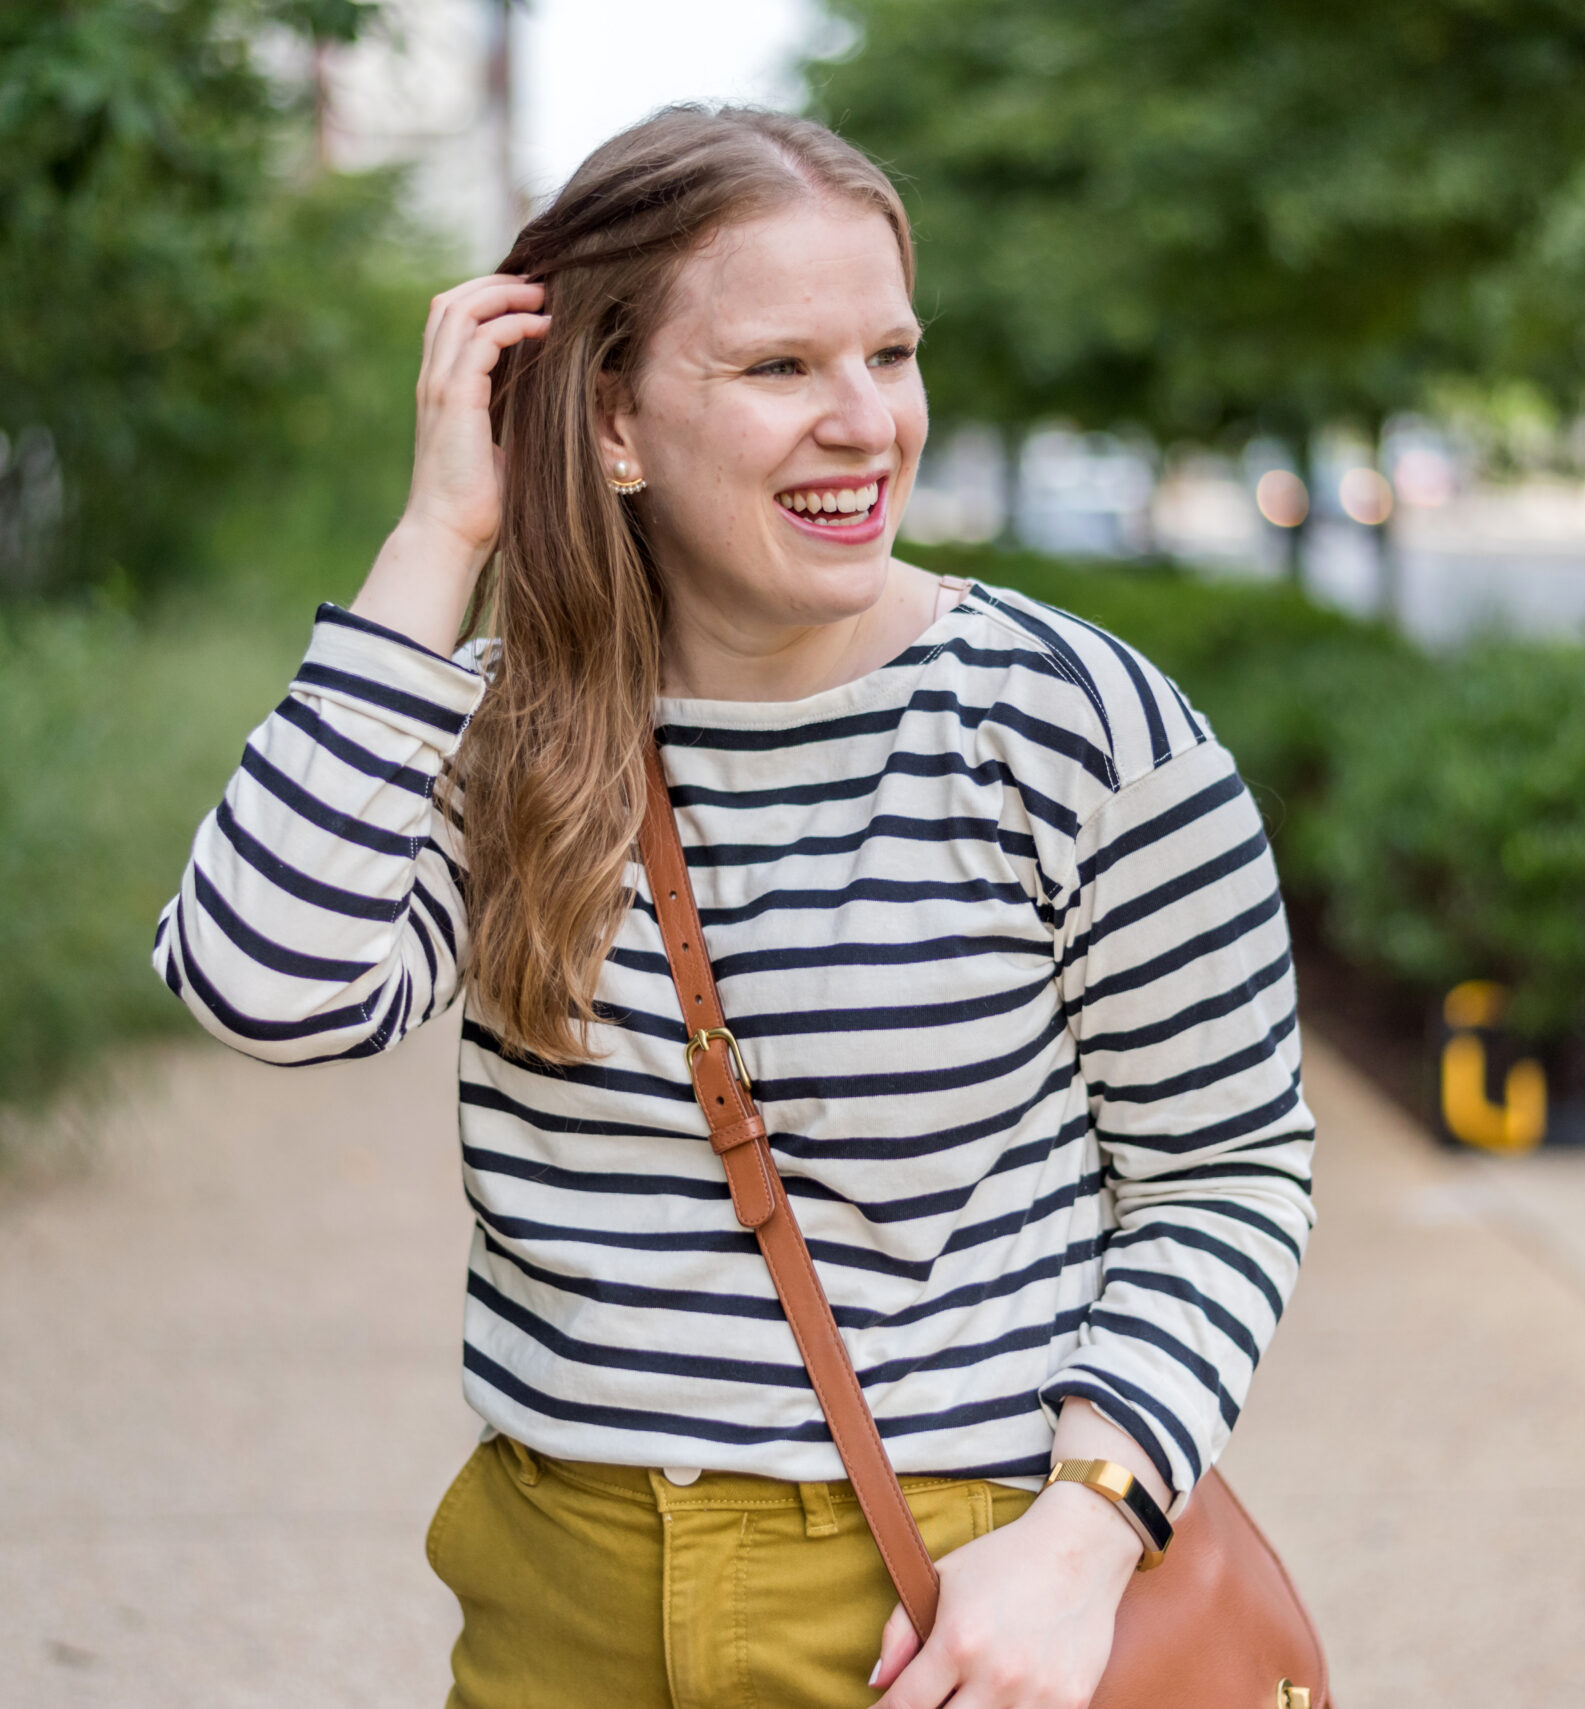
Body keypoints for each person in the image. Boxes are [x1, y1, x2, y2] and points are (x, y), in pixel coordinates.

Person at [154, 103, 1315, 1709]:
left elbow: (1229, 1167)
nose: (867, 422)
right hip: (558, 1583)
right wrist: (440, 539)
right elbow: (257, 980)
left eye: (891, 356)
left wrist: (1085, 1536)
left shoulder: (1075, 728)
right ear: (612, 423)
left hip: (944, 1598)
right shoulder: (506, 730)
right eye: (780, 368)